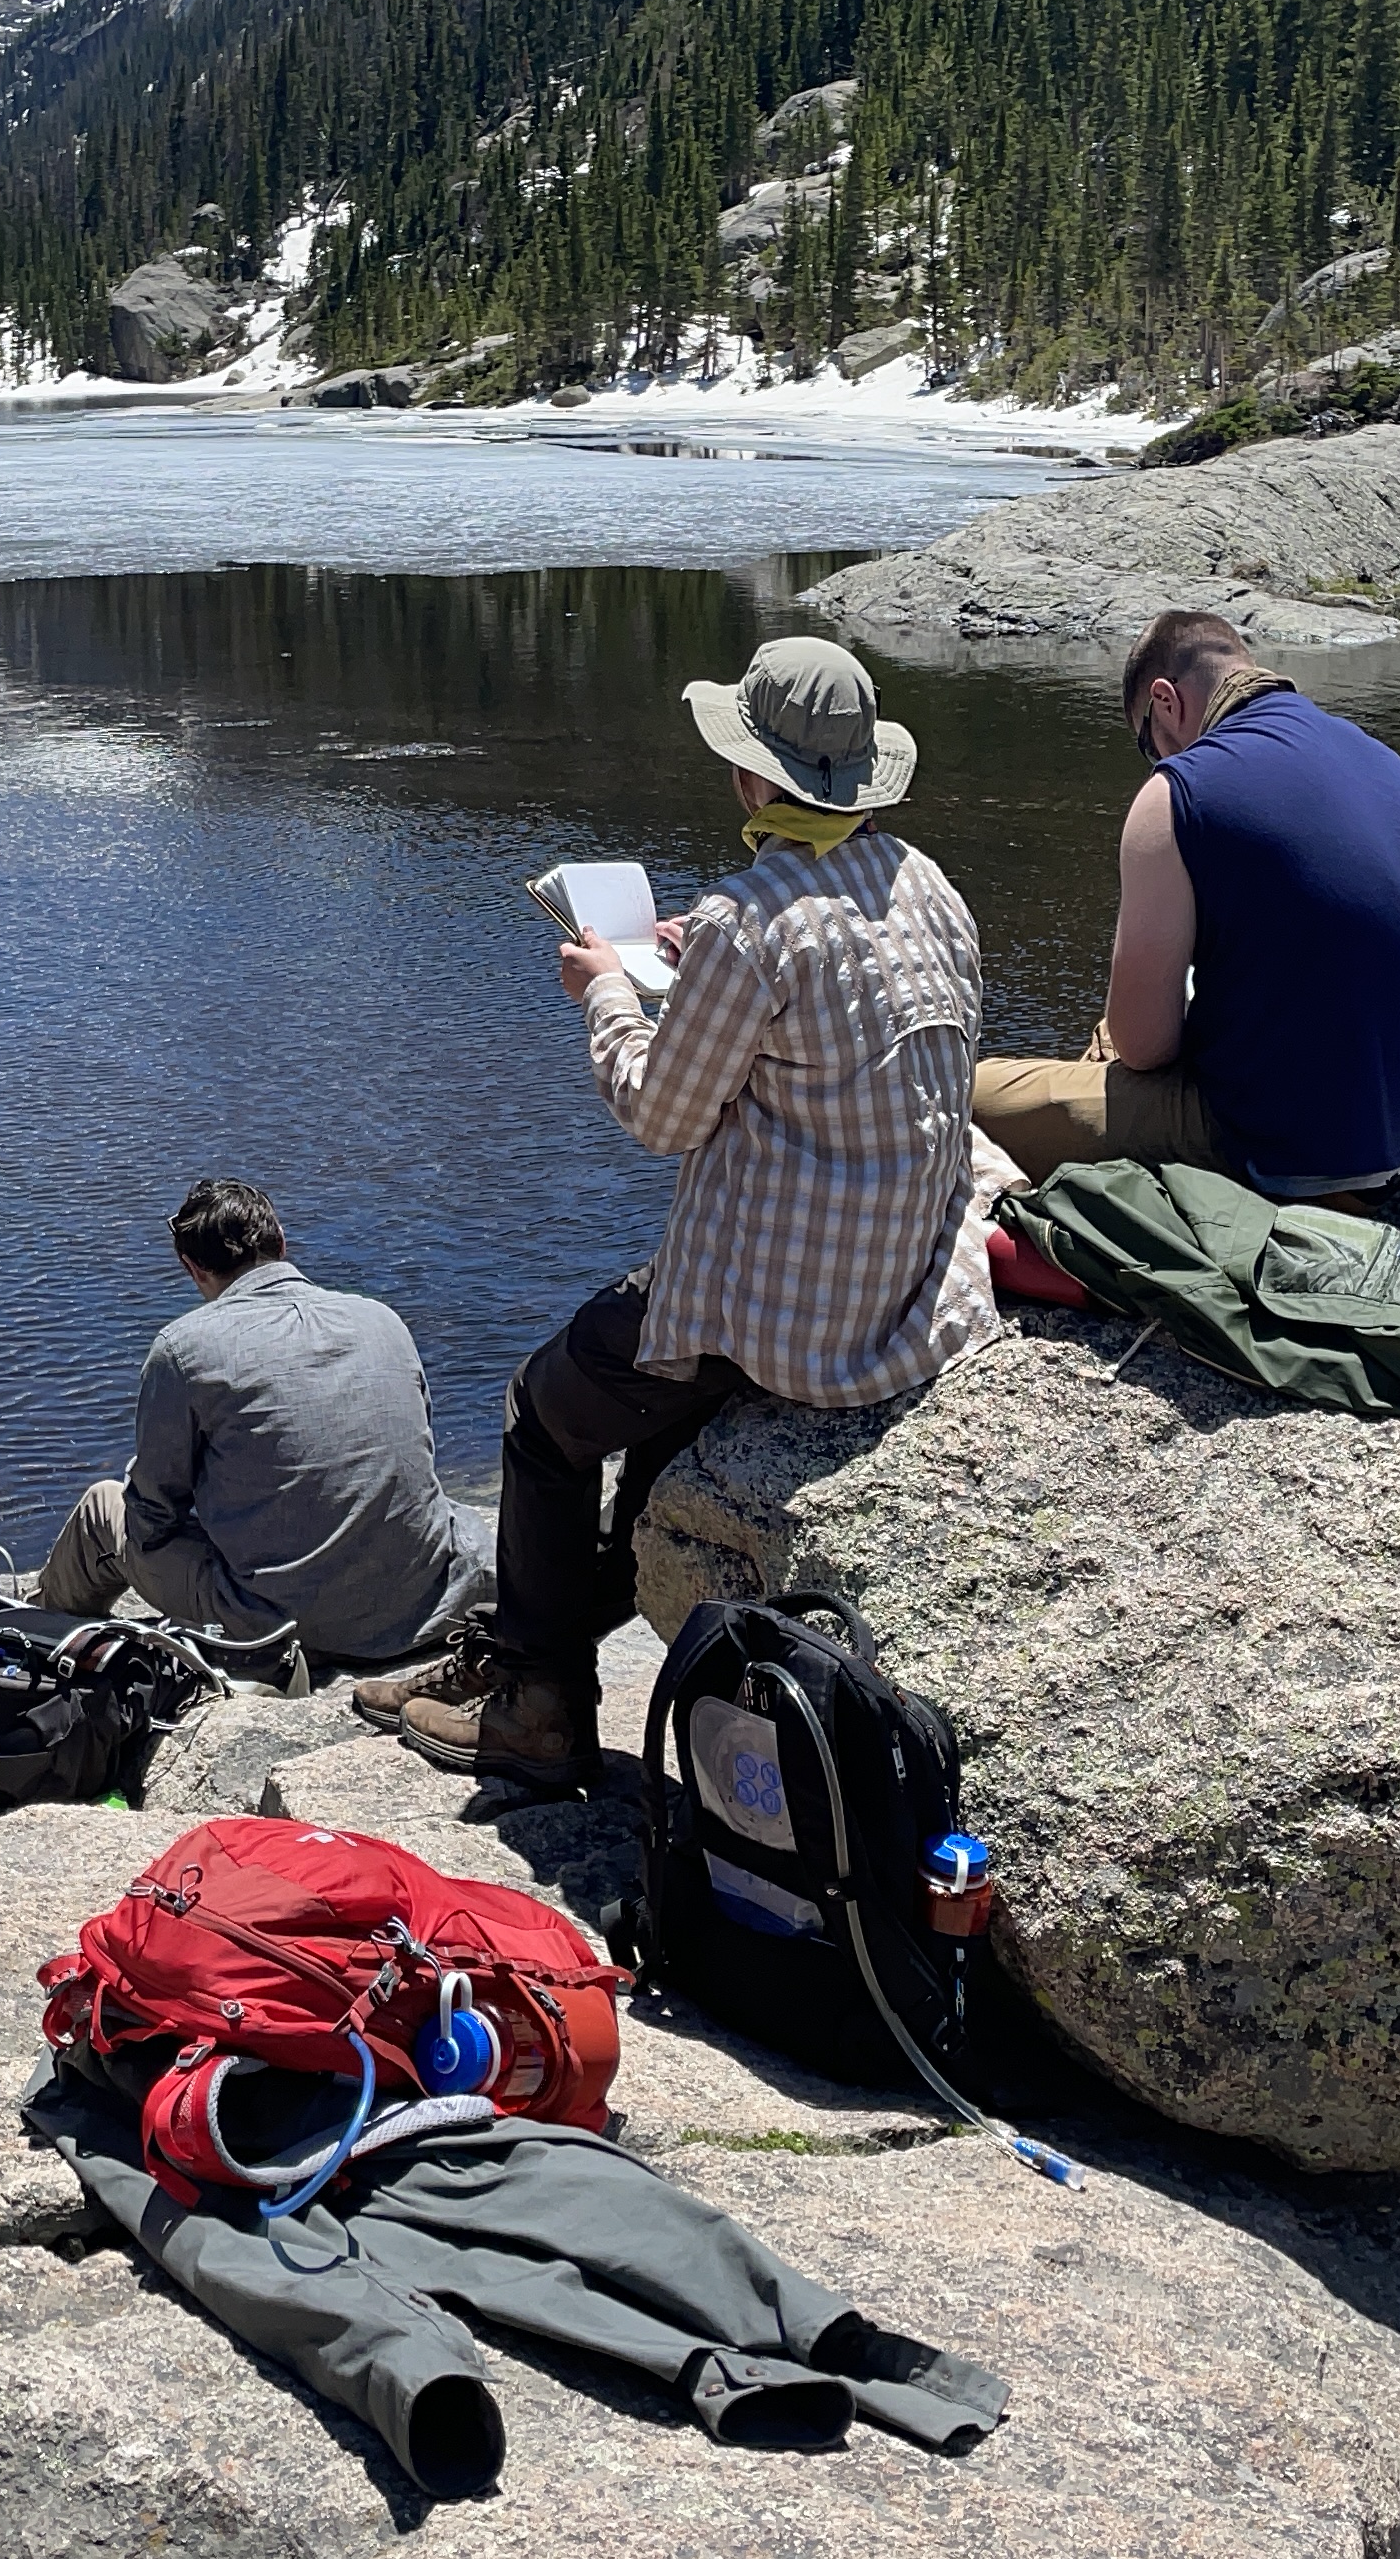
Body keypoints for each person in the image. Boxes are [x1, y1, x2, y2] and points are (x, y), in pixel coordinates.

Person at [390, 638, 995, 1786]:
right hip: (901, 1286)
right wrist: (691, 959)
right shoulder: (929, 886)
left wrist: (610, 990)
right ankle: (537, 1643)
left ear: (756, 778)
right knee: (649, 1435)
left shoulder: (750, 917)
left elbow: (659, 1113)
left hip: (788, 1316)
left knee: (542, 1408)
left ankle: (537, 1701)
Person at [968, 609, 1400, 1219]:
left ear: (1165, 702)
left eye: (1146, 740)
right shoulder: (1398, 771)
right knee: (1116, 1031)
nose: (1153, 757)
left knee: (964, 1098)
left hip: (1272, 1156)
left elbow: (1145, 1048)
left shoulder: (1178, 791)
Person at [37, 1177, 481, 1675]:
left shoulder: (184, 1349)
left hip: (290, 1624)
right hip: (420, 1599)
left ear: (192, 1268)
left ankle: (40, 1648)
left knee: (104, 1509)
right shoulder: (380, 1318)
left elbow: (152, 1518)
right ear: (282, 1242)